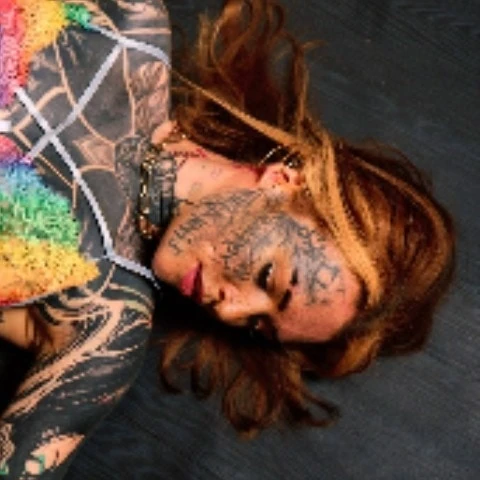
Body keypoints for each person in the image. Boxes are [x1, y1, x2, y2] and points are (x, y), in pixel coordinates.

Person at [0, 0, 454, 476]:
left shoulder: (107, 321)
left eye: (257, 325)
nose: (229, 311)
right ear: (284, 181)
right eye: (268, 277)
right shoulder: (129, 25)